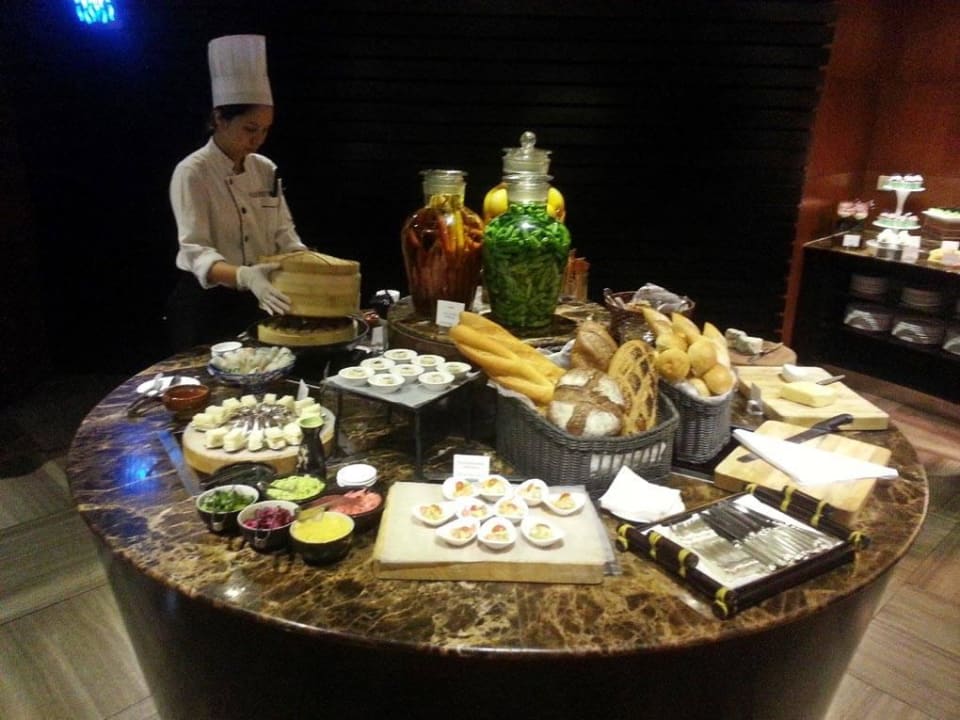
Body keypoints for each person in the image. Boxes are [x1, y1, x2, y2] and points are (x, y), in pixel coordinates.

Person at [165, 34, 306, 351]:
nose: (259, 140)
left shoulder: (265, 169)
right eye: (250, 129)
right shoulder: (193, 172)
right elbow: (197, 252)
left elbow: (284, 234)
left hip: (259, 299)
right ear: (219, 118)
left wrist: (309, 264)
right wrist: (245, 276)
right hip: (206, 306)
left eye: (265, 130)